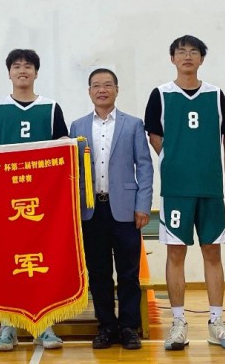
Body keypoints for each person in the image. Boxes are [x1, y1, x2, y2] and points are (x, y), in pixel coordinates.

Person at [144, 35, 225, 350]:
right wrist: (174, 160)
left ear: (201, 58)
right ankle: (178, 322)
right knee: (176, 253)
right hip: (176, 190)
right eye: (181, 51)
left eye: (194, 52)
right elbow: (155, 136)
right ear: (172, 58)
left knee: (212, 253)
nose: (187, 56)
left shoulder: (215, 95)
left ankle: (216, 322)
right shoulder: (161, 94)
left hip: (210, 188)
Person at [0, 48, 68, 351]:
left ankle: (45, 324)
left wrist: (65, 145)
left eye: (28, 66)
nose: (22, 70)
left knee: (44, 259)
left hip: (44, 204)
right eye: (16, 66)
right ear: (9, 73)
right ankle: (7, 326)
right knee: (7, 261)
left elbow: (62, 149)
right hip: (6, 203)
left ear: (36, 72)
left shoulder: (51, 108)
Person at [69, 68, 153, 350]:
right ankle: (106, 326)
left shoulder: (133, 124)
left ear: (117, 89)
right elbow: (72, 171)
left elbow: (145, 166)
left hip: (126, 210)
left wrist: (143, 205)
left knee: (129, 272)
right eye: (96, 86)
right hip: (91, 210)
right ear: (89, 91)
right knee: (98, 272)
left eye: (107, 85)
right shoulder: (77, 127)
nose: (102, 90)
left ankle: (129, 327)